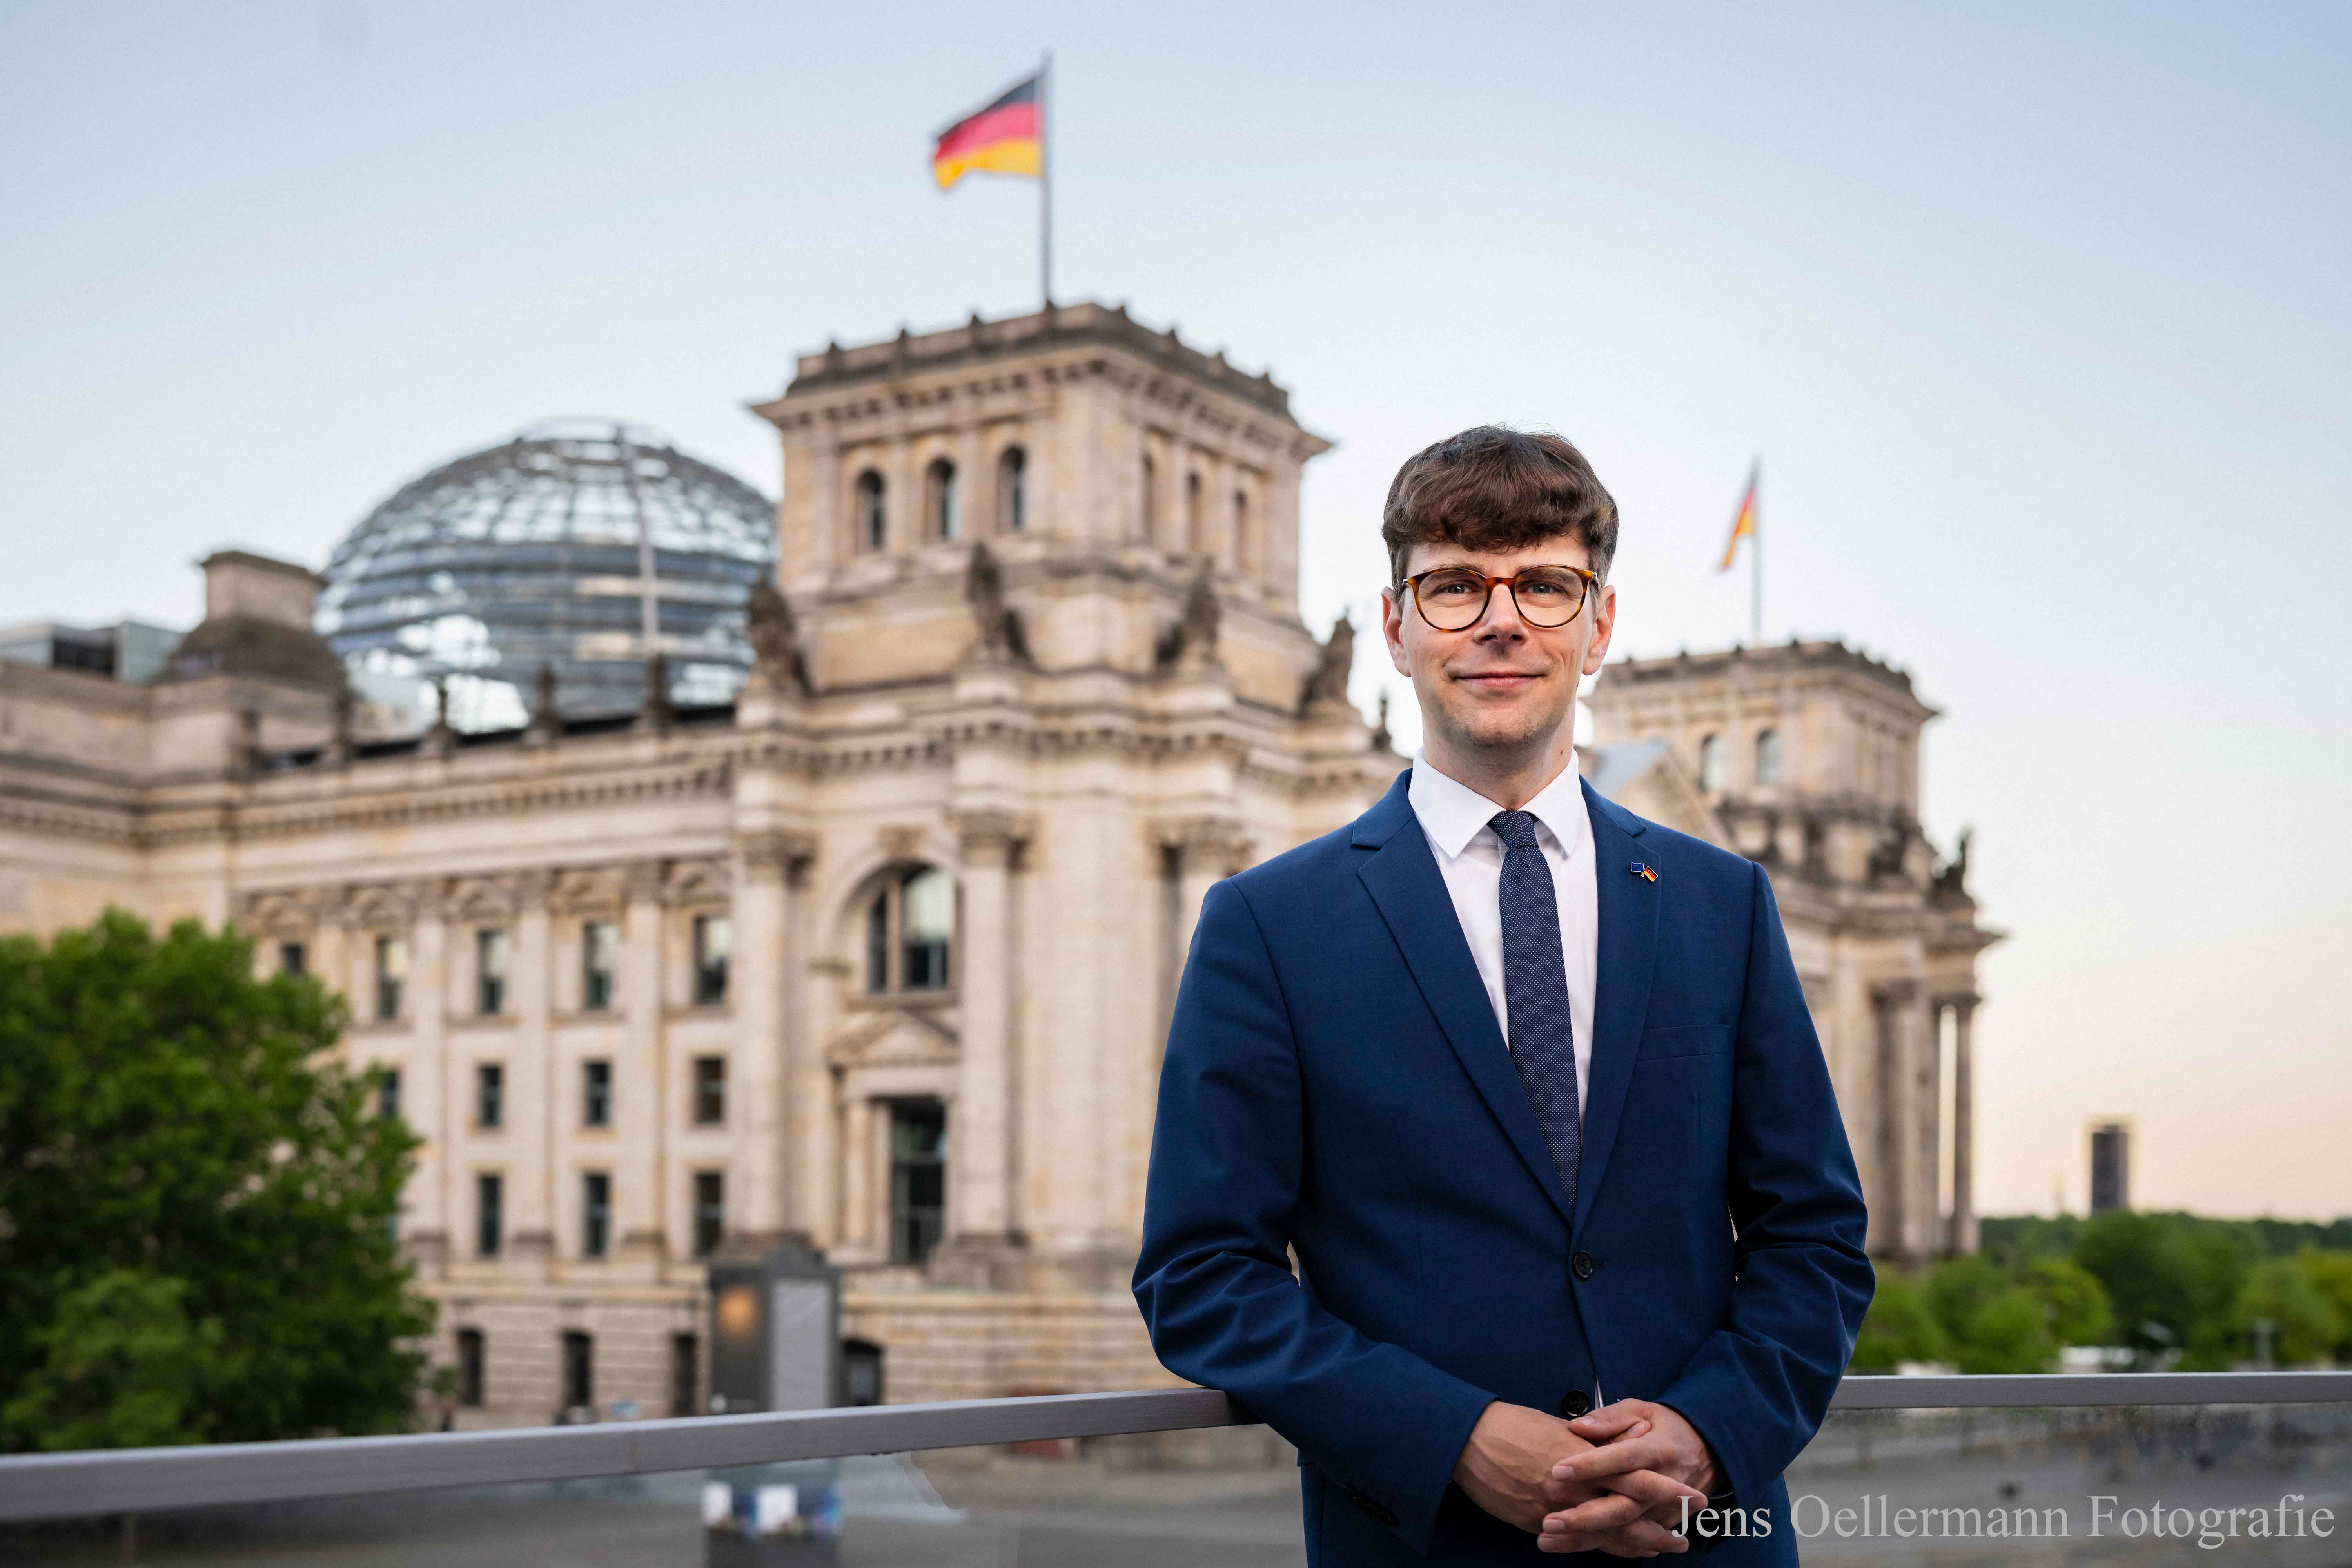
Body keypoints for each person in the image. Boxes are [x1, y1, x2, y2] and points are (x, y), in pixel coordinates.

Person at [1133, 427, 1872, 1563]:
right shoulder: (1269, 924)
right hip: (1427, 1539)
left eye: (1544, 584)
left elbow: (1813, 1236)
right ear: (1395, 627)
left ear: (1599, 627)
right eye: (1453, 587)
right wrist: (1455, 1436)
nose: (1500, 619)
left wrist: (1708, 1429)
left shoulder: (1723, 903)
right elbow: (1201, 1276)